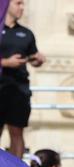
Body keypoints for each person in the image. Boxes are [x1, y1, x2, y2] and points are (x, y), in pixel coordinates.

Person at [0, 0, 45, 159]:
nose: (22, 8)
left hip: (19, 90)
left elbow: (32, 56)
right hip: (1, 87)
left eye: (23, 4)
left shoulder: (26, 33)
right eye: (18, 3)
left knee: (17, 132)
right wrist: (6, 62)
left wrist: (37, 60)